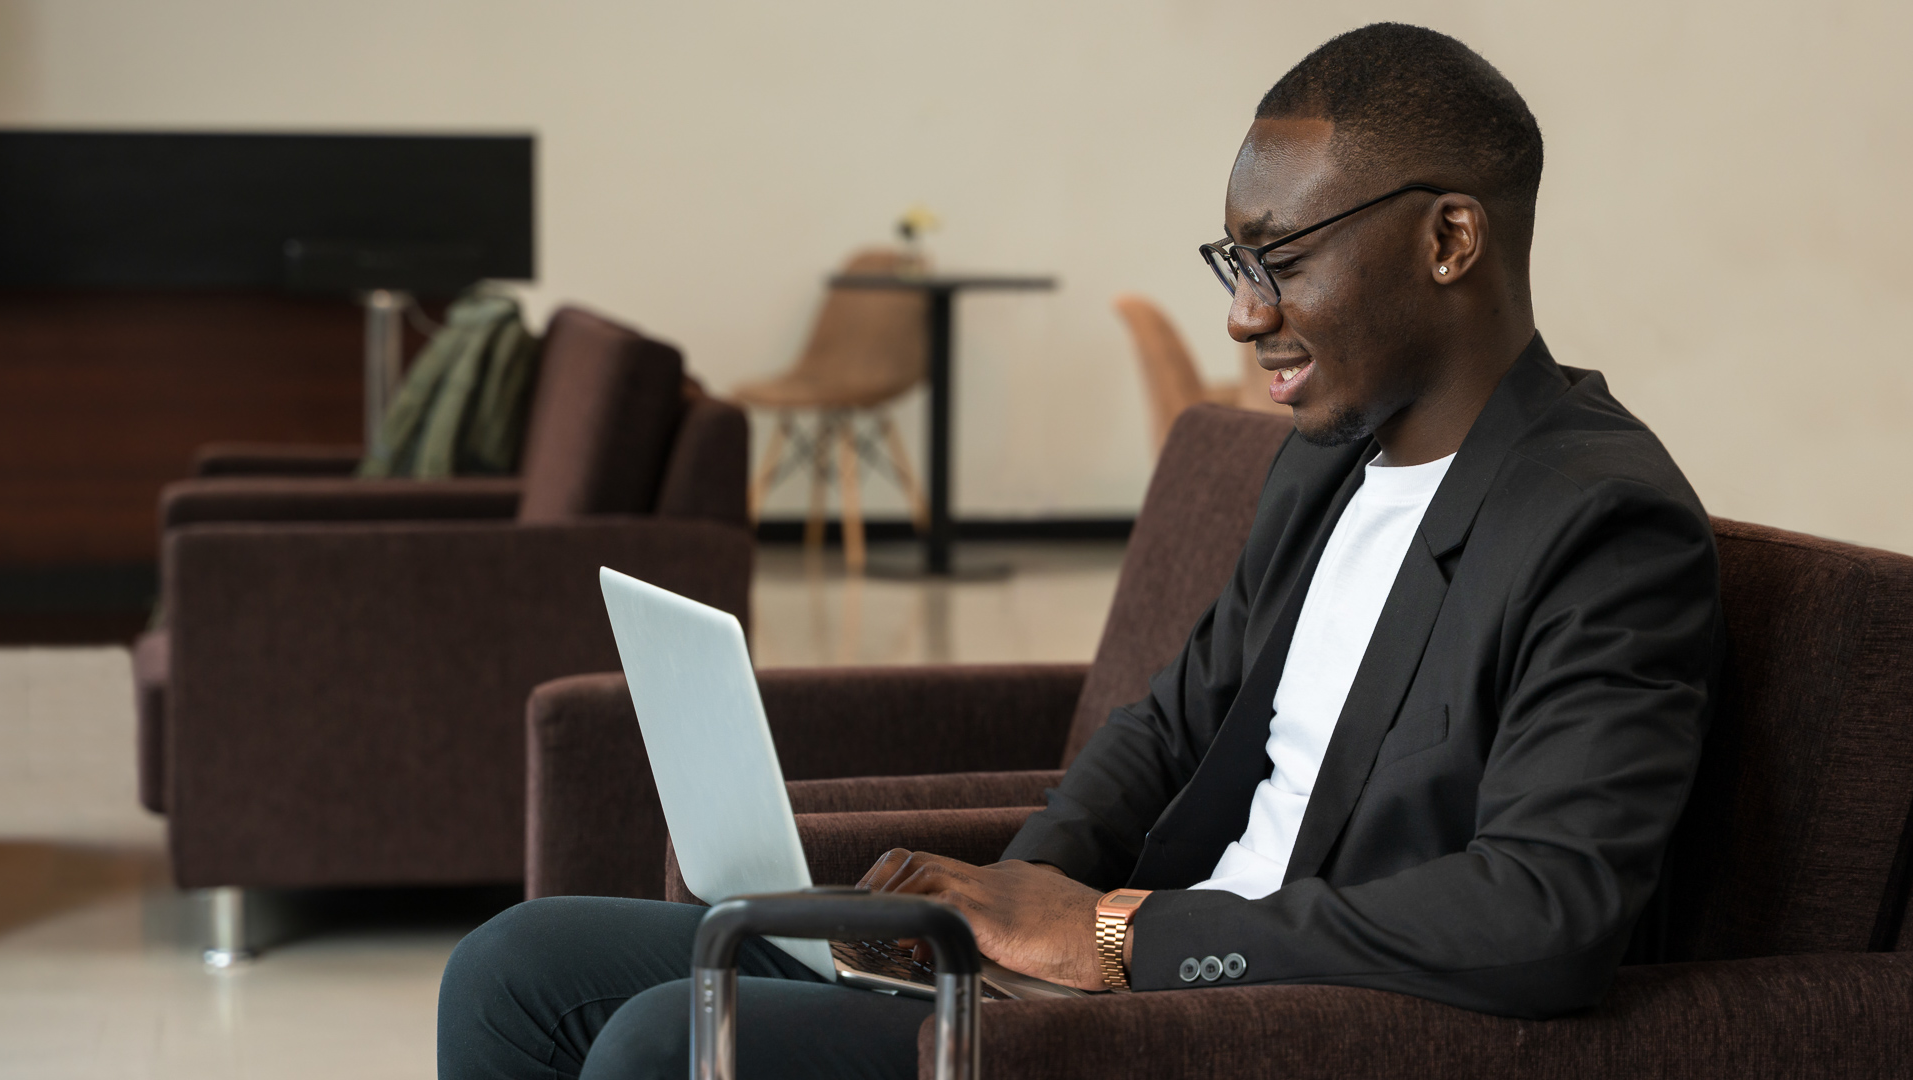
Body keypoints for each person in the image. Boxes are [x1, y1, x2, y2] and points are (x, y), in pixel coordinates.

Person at [438, 22, 1722, 1079]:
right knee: (515, 968)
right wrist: (1015, 892)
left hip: (1249, 1023)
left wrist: (1114, 937)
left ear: (1450, 239)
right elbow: (1170, 727)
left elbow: (1542, 915)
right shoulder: (1327, 464)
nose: (1242, 313)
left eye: (1282, 260)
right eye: (1235, 259)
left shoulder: (1599, 524)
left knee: (668, 1042)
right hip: (1106, 978)